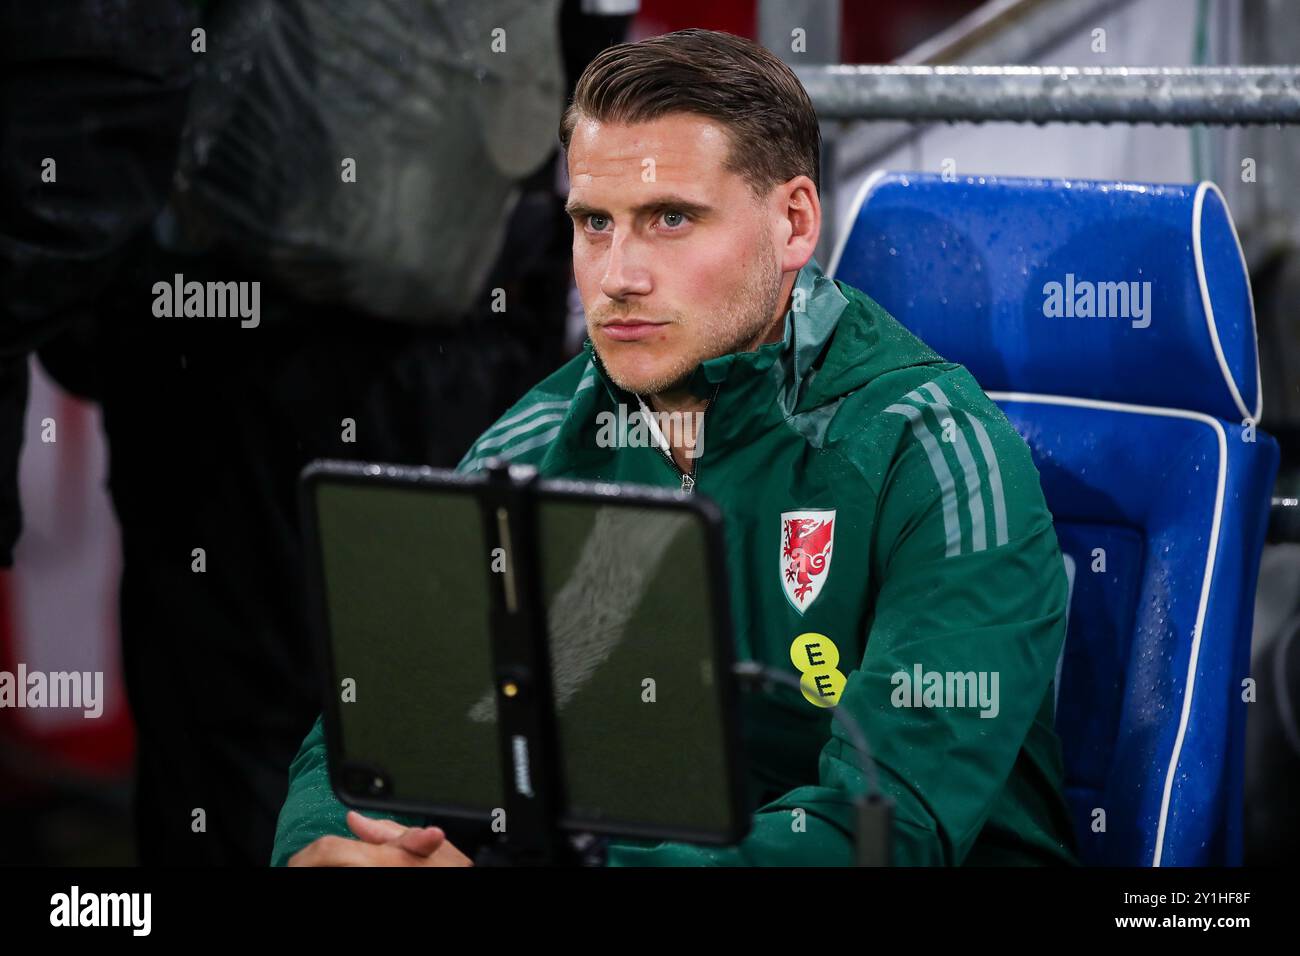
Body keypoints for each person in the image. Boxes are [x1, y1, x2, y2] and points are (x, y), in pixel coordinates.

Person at [273, 28, 1079, 867]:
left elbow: (885, 830)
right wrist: (329, 844)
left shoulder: (938, 457)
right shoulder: (533, 442)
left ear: (795, 221)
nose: (618, 275)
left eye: (669, 219)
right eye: (594, 223)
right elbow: (370, 722)